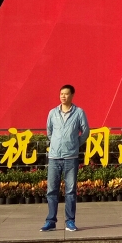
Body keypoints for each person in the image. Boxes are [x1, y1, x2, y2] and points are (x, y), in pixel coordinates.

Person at [41, 84, 88, 232]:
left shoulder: (79, 112)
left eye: (66, 94)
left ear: (72, 95)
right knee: (51, 190)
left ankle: (70, 221)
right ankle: (50, 221)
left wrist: (74, 144)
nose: (63, 96)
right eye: (61, 94)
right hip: (54, 157)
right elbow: (49, 132)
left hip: (71, 157)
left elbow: (85, 132)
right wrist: (57, 144)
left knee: (70, 191)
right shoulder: (52, 113)